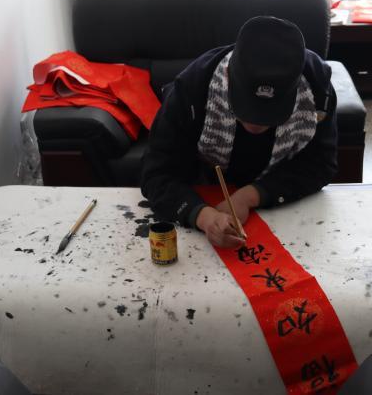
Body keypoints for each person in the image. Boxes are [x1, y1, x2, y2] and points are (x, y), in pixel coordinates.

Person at [141, 16, 338, 248]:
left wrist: (250, 196)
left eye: (271, 113)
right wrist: (203, 217)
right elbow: (155, 173)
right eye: (246, 108)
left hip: (282, 203)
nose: (255, 126)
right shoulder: (193, 87)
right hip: (202, 188)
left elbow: (321, 163)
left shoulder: (317, 90)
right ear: (227, 75)